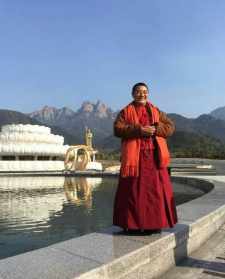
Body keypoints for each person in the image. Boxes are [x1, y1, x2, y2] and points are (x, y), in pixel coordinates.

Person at [113, 82, 177, 233]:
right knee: (132, 192)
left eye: (144, 91)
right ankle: (133, 225)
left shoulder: (156, 111)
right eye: (138, 91)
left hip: (154, 157)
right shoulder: (125, 111)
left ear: (148, 94)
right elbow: (117, 129)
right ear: (133, 94)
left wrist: (156, 129)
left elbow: (170, 127)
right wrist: (139, 130)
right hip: (134, 159)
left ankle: (154, 225)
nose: (142, 94)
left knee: (155, 193)